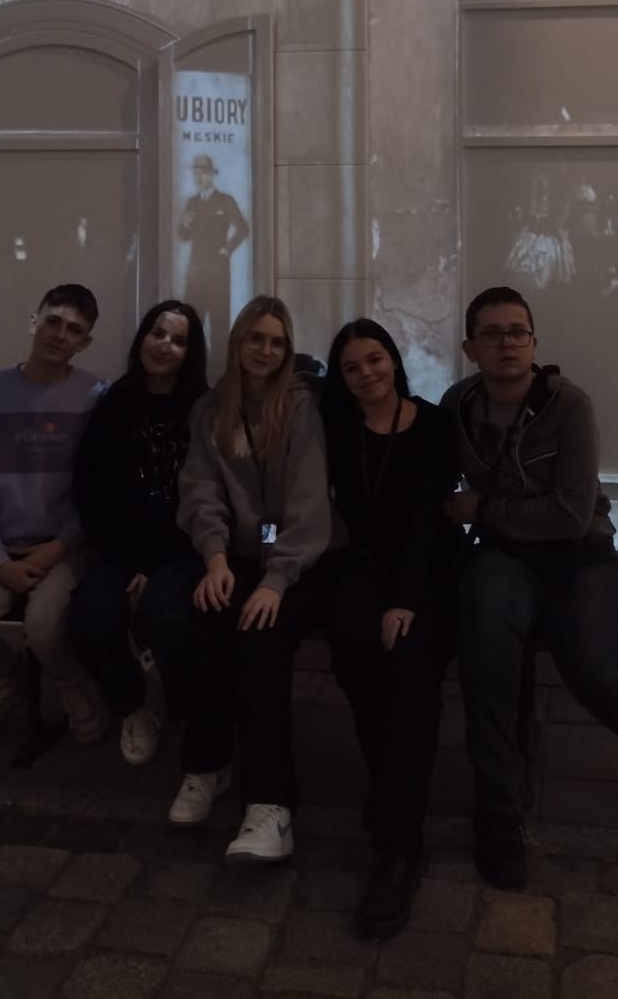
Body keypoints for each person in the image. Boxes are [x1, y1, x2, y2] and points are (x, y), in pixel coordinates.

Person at [441, 286, 618, 891]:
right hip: (504, 556)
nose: (507, 344)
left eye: (518, 332)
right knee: (485, 658)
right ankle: (498, 809)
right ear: (470, 348)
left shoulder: (570, 406)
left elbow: (571, 516)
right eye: (492, 334)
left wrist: (483, 509)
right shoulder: (458, 405)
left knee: (602, 672)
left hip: (579, 557)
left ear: (534, 342)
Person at [165, 295, 341, 862]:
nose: (266, 350)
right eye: (256, 338)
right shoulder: (210, 410)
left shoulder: (302, 409)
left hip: (302, 561)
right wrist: (214, 559)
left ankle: (270, 805)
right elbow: (200, 490)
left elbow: (310, 506)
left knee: (261, 639)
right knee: (207, 619)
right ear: (238, 341)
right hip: (238, 556)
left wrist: (276, 580)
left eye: (277, 342)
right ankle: (207, 766)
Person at [320, 318, 463, 939]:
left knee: (409, 678)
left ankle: (400, 847)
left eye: (374, 359)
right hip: (360, 567)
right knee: (353, 655)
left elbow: (429, 521)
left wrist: (404, 600)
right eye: (352, 367)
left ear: (394, 361)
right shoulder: (335, 427)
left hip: (426, 573)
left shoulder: (431, 424)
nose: (366, 373)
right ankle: (388, 786)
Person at [0, 284, 108, 746]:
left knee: (45, 626)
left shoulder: (96, 396)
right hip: (4, 547)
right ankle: (7, 679)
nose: (59, 334)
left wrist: (60, 547)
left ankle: (72, 681)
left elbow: (100, 494)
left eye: (73, 329)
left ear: (85, 342)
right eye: (53, 321)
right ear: (35, 321)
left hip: (68, 548)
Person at [68, 300, 208, 765]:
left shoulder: (203, 409)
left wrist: (154, 564)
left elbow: (206, 499)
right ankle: (132, 707)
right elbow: (90, 492)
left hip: (183, 549)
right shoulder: (113, 404)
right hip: (121, 549)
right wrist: (132, 561)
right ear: (142, 338)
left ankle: (186, 708)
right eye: (157, 333)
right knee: (89, 617)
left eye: (178, 340)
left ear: (190, 353)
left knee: (164, 615)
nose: (165, 345)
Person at [178, 154, 249, 368]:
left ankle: (219, 374)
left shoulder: (225, 200)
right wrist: (185, 224)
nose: (198, 176)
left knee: (219, 326)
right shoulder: (191, 202)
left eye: (202, 172)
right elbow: (183, 236)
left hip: (218, 274)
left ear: (211, 175)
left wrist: (227, 249)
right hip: (196, 274)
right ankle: (191, 372)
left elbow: (242, 228)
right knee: (191, 325)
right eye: (195, 172)